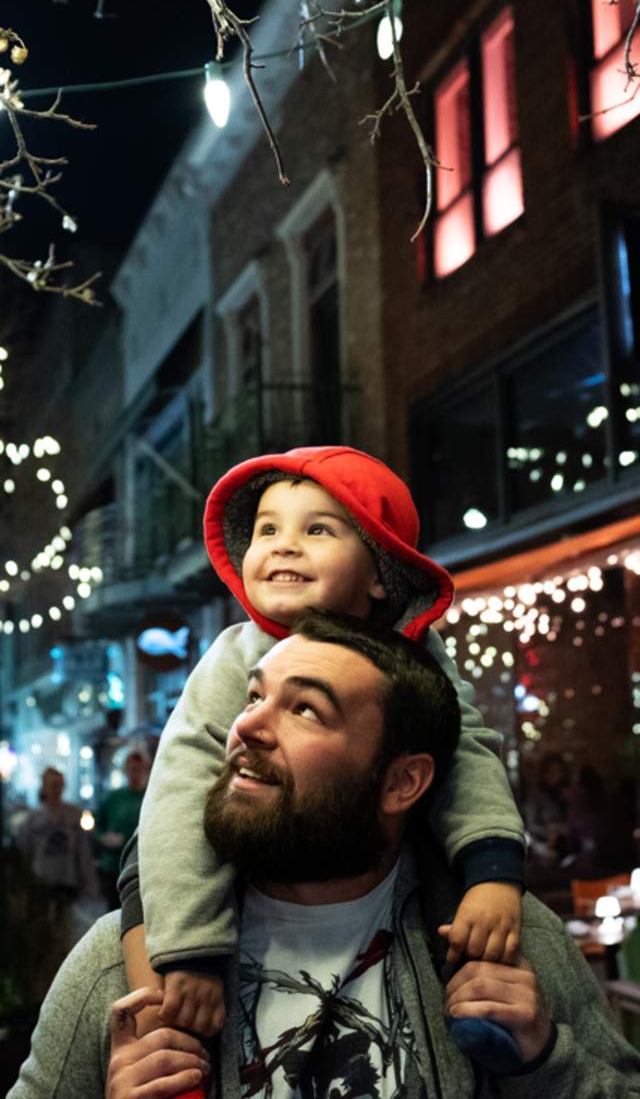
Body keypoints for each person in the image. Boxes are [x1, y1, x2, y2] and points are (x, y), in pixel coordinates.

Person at [7, 613, 640, 1099]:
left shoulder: (509, 938)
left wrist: (542, 1057)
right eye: (253, 698)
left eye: (305, 709)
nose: (246, 727)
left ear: (402, 783)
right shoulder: (129, 962)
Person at [120, 446, 526, 1069]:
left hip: (387, 870)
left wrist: (493, 870)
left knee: (463, 914)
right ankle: (174, 1049)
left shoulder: (414, 655)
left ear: (380, 573)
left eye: (317, 529)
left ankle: (475, 1026)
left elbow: (466, 750)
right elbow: (180, 787)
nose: (284, 545)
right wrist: (192, 955)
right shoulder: (236, 653)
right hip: (199, 849)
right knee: (150, 892)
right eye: (267, 529)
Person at [16, 766, 99, 998]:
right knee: (41, 939)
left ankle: (62, 991)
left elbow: (83, 851)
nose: (55, 789)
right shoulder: (33, 818)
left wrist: (88, 883)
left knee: (66, 939)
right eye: (51, 784)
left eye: (59, 784)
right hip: (42, 886)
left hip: (67, 884)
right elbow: (24, 855)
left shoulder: (74, 814)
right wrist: (25, 889)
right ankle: (39, 991)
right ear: (44, 786)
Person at [95, 749, 150, 910]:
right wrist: (104, 838)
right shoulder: (114, 798)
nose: (135, 773)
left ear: (146, 769)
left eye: (139, 769)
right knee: (113, 912)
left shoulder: (150, 797)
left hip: (142, 866)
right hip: (114, 865)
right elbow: (96, 826)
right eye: (132, 768)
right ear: (126, 770)